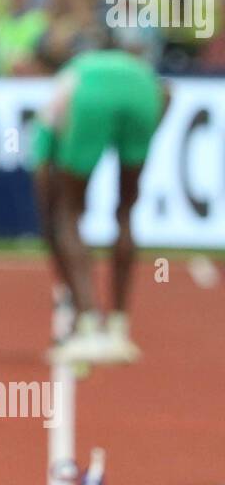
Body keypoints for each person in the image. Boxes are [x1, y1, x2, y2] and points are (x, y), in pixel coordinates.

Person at [32, 45, 170, 365]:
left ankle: (89, 324)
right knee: (125, 212)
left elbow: (42, 176)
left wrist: (50, 226)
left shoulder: (66, 86)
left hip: (92, 98)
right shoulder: (126, 68)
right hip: (146, 92)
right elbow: (167, 94)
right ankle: (120, 329)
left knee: (66, 213)